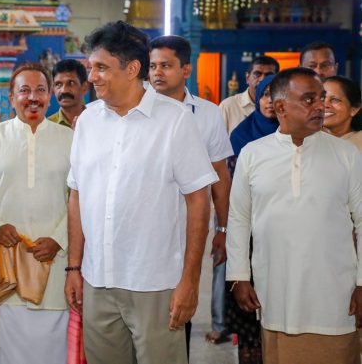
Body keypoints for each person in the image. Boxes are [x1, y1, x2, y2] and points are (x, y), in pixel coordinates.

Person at [65, 21, 217, 364]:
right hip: (98, 278)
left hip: (154, 281)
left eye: (101, 68)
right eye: (91, 67)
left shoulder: (175, 120)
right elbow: (76, 195)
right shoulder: (88, 121)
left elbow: (198, 199)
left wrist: (190, 280)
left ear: (132, 69)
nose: (92, 77)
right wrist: (74, 268)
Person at [227, 67, 362, 364]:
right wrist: (238, 276)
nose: (320, 106)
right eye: (310, 99)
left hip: (335, 292)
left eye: (322, 98)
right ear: (280, 107)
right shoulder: (253, 154)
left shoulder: (346, 155)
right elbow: (239, 219)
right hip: (276, 289)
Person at [0, 62, 72, 364]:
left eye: (40, 90)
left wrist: (59, 239)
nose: (32, 97)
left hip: (54, 265)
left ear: (49, 96)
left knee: (54, 348)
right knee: (7, 349)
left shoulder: (70, 140)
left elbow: (80, 198)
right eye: (24, 90)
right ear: (11, 97)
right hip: (6, 264)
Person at [149, 35, 234, 350]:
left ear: (186, 70)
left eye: (166, 65)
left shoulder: (207, 114)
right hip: (144, 225)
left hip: (188, 229)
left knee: (177, 309)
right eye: (152, 66)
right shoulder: (136, 110)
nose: (157, 73)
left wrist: (223, 228)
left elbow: (219, 175)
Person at [224, 74, 277, 364]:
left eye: (275, 94)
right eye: (264, 94)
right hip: (250, 235)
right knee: (249, 317)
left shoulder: (299, 136)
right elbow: (236, 200)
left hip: (283, 239)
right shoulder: (242, 136)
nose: (269, 101)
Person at [219, 56, 279, 134]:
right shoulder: (228, 106)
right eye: (257, 74)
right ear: (247, 78)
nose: (262, 79)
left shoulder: (283, 107)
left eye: (268, 75)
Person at [323, 76, 362, 151]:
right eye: (322, 98)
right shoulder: (306, 139)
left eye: (335, 100)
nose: (325, 105)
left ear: (354, 109)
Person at [47, 59, 89, 129]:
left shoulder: (98, 122)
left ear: (84, 87)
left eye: (71, 83)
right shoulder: (46, 127)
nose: (64, 90)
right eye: (58, 84)